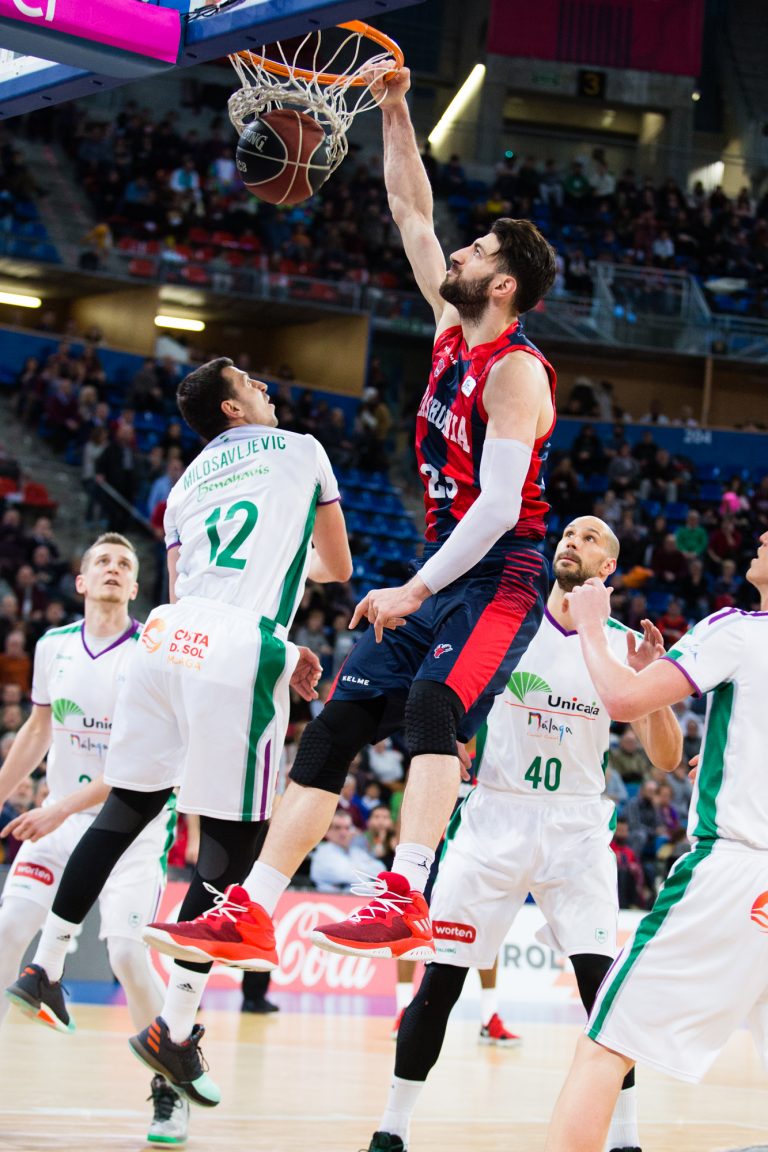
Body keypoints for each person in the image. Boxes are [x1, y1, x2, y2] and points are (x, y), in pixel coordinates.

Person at [144, 63, 558, 972]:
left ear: (505, 286)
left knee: (431, 705)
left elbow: (495, 506)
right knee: (335, 724)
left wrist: (413, 587)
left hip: (502, 572)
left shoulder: (517, 370)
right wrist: (398, 108)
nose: (461, 250)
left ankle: (406, 893)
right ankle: (247, 908)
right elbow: (413, 210)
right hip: (444, 569)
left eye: (480, 249)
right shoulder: (454, 333)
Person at [6, 359, 351, 1108]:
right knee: (231, 845)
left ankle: (48, 964)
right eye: (254, 383)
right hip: (236, 647)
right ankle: (175, 1026)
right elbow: (337, 563)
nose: (266, 387)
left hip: (163, 639)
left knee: (127, 803)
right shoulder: (301, 448)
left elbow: (189, 580)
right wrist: (287, 626)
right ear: (234, 405)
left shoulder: (183, 486)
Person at [363, 516, 681, 1152]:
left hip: (577, 830)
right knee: (440, 982)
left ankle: (626, 1139)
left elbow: (667, 758)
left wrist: (658, 688)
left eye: (591, 538)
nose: (572, 542)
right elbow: (451, 704)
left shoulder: (619, 645)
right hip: (495, 818)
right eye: (567, 534)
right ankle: (392, 1130)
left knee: (602, 994)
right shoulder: (505, 626)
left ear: (609, 569)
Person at [544, 533, 768, 1152]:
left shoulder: (739, 629)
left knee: (604, 1046)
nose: (761, 538)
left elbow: (619, 700)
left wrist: (591, 625)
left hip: (733, 872)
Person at [0, 534, 187, 1145]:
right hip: (60, 823)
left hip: (131, 829)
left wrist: (56, 809)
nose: (112, 569)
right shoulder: (53, 646)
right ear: (80, 582)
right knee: (6, 930)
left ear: (136, 588)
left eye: (125, 565)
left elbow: (138, 769)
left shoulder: (152, 652)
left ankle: (170, 1085)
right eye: (101, 562)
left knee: (129, 957)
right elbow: (37, 727)